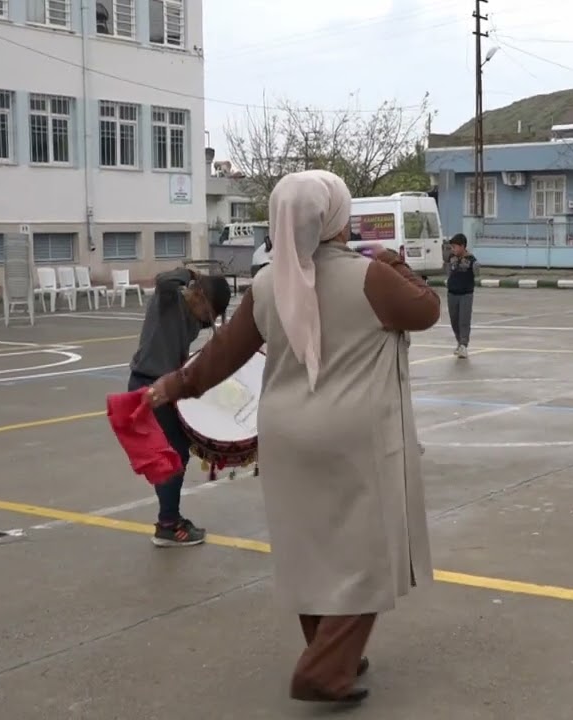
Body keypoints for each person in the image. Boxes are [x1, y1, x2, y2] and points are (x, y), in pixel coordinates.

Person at [145, 169, 440, 705]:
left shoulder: (266, 284)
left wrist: (173, 385)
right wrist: (393, 261)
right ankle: (324, 671)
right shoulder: (370, 278)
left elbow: (221, 355)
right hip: (353, 435)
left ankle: (332, 652)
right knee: (367, 553)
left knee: (310, 550)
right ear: (333, 220)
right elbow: (426, 310)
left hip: (284, 433)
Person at [127, 267, 231, 547]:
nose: (208, 320)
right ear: (197, 295)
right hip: (149, 385)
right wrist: (191, 273)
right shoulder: (168, 299)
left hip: (167, 388)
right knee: (172, 454)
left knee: (176, 453)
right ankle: (168, 525)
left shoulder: (195, 319)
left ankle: (169, 519)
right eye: (208, 311)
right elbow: (163, 280)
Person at [445, 233, 479, 358]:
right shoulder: (451, 258)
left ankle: (464, 345)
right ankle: (459, 342)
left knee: (464, 320)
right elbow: (448, 272)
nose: (453, 249)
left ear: (463, 246)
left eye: (455, 247)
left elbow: (476, 273)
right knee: (454, 321)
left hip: (466, 294)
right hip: (452, 294)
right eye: (452, 247)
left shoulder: (471, 260)